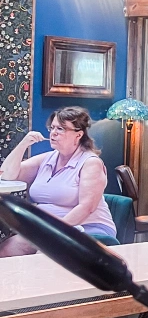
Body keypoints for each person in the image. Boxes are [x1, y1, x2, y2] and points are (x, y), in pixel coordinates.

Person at [0, 107, 117, 255]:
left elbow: (86, 207)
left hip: (87, 227)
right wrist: (23, 144)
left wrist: (53, 231)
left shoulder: (90, 163)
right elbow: (7, 175)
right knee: (6, 251)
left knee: (44, 254)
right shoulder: (48, 158)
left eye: (61, 129)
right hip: (47, 228)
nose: (53, 133)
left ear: (78, 134)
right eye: (52, 127)